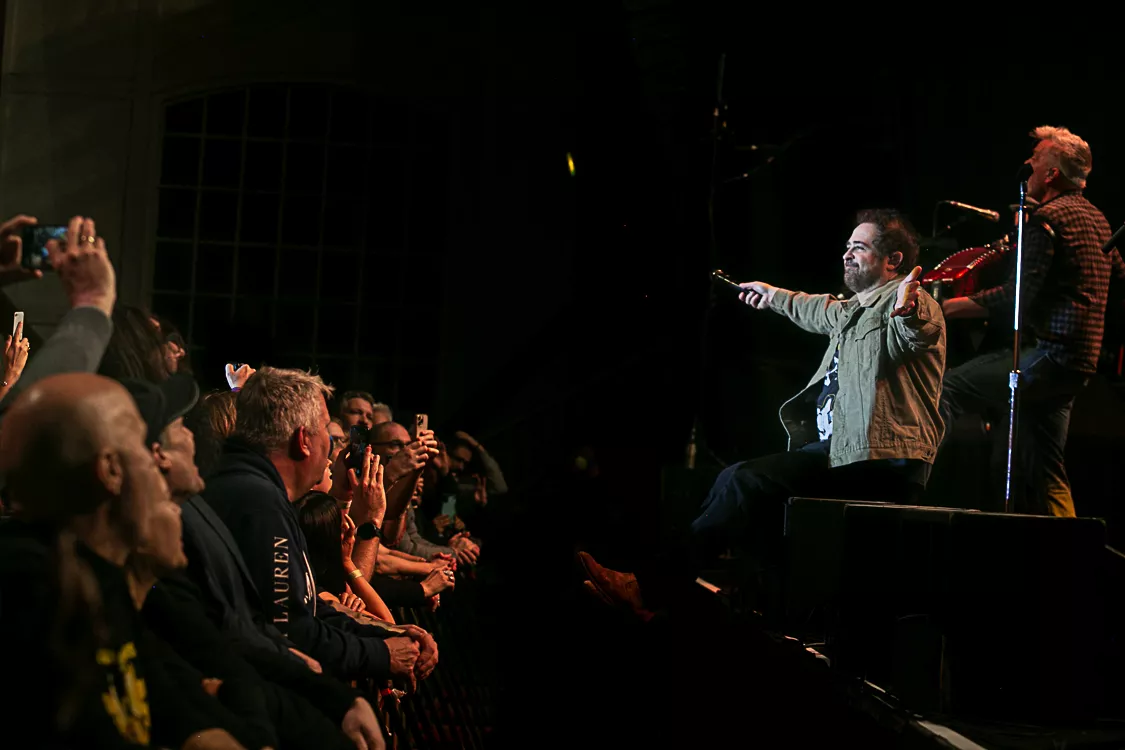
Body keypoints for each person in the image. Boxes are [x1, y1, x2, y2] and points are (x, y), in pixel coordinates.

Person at [579, 209, 946, 619]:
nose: (847, 254)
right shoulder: (850, 311)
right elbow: (812, 308)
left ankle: (649, 591)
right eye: (847, 246)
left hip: (882, 459)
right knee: (743, 493)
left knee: (745, 481)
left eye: (859, 247)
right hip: (843, 452)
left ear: (893, 259)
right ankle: (770, 609)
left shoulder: (914, 303)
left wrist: (908, 312)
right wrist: (770, 295)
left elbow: (918, 334)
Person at [0, 373, 242, 749]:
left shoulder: (102, 582)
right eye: (143, 445)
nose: (158, 462)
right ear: (111, 470)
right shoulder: (35, 595)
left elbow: (174, 708)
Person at [203, 367, 437, 687]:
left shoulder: (266, 495)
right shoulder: (260, 505)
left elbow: (307, 609)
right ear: (303, 441)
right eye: (327, 433)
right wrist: (381, 653)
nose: (333, 448)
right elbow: (290, 632)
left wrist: (385, 633)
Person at [939, 126, 1121, 517]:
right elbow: (1117, 272)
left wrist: (951, 307)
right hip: (1079, 362)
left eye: (1036, 158)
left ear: (1052, 173)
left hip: (1050, 355)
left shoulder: (1048, 219)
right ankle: (1074, 546)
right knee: (1047, 468)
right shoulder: (1098, 219)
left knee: (948, 389)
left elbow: (1015, 297)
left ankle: (913, 482)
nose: (1029, 162)